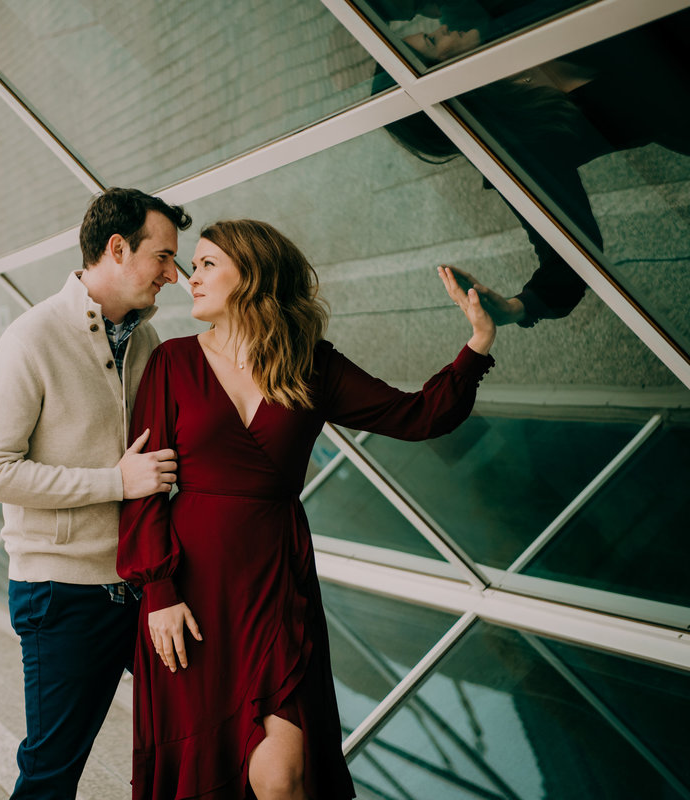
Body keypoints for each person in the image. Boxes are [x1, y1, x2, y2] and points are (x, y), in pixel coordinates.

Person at [118, 219, 496, 800]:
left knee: (283, 776)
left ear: (253, 274)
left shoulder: (310, 363)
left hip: (274, 582)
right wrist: (160, 593)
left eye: (208, 264)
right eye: (193, 266)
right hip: (190, 594)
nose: (191, 278)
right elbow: (144, 489)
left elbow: (417, 416)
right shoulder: (171, 362)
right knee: (203, 772)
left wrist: (476, 345)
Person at [0, 187, 192, 799]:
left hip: (141, 586)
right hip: (61, 592)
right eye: (164, 257)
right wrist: (115, 483)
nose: (175, 274)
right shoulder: (30, 339)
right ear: (118, 249)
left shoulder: (145, 342)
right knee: (52, 771)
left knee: (199, 734)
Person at [382, 9, 690, 327]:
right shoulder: (519, 145)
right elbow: (567, 254)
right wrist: (517, 307)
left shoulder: (503, 22)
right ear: (443, 82)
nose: (445, 26)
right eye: (433, 40)